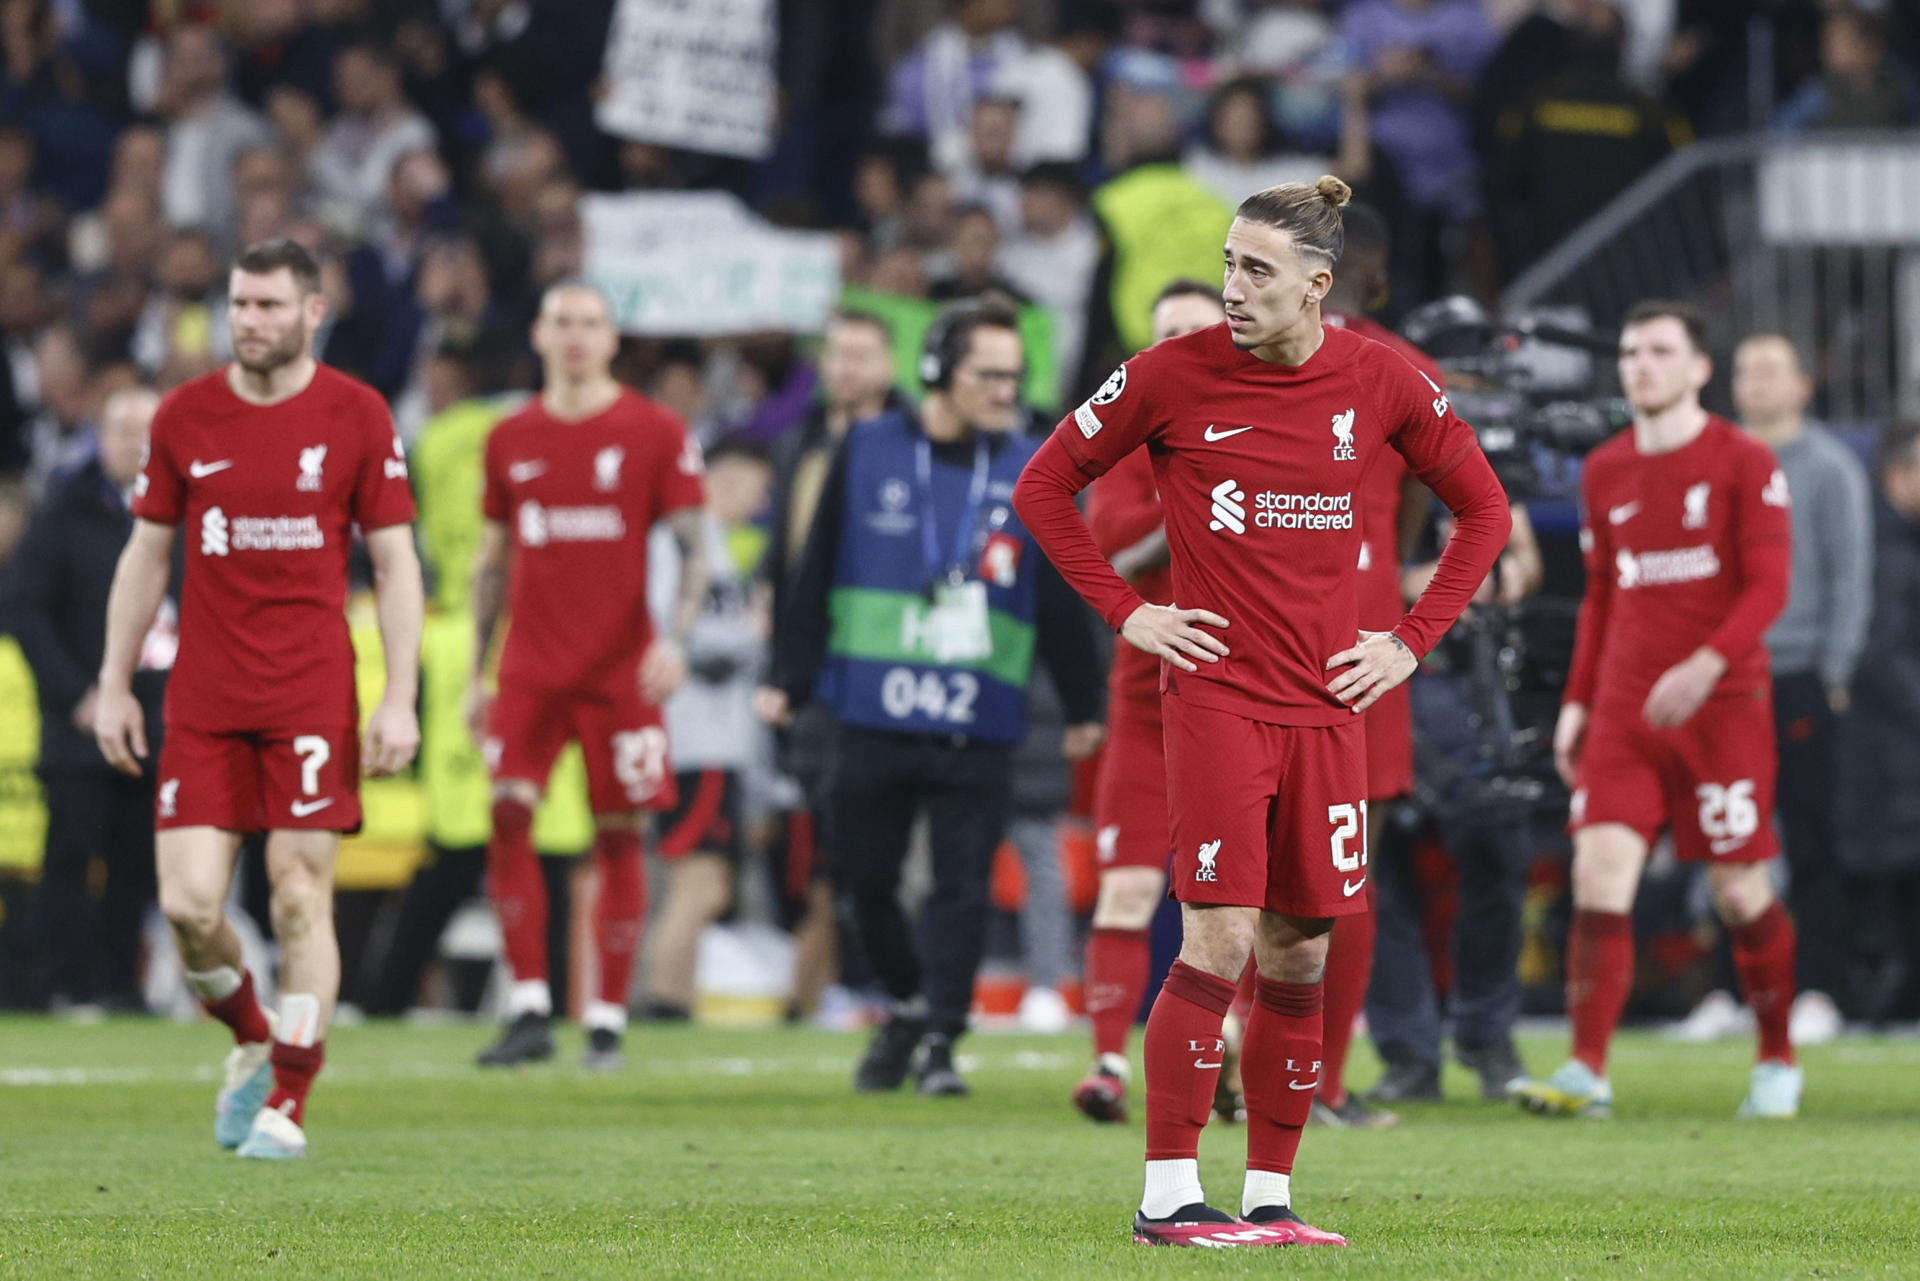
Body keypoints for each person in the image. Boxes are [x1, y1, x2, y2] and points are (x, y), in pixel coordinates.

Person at [1015, 177, 1510, 1248]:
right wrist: (1127, 615)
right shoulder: (1169, 375)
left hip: (1331, 709)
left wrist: (1409, 642)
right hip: (1219, 698)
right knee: (1221, 937)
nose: (1231, 289)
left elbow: (1484, 508)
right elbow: (1043, 487)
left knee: (1302, 956)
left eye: (1256, 271)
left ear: (1317, 286)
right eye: (1229, 264)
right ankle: (1166, 1198)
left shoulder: (1382, 379)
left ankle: (1275, 1199)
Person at [93, 238, 424, 1160]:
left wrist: (400, 698)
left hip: (311, 692)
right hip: (203, 694)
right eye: (241, 304)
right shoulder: (185, 415)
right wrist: (115, 681)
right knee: (193, 906)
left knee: (294, 886)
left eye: (270, 306)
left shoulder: (357, 413)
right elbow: (147, 554)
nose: (250, 321)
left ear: (313, 313)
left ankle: (290, 1093)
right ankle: (251, 1032)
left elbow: (396, 562)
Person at [762, 296, 1104, 1098]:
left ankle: (941, 1037)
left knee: (961, 886)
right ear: (937, 373)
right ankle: (910, 1003)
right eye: (988, 374)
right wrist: (789, 674)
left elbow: (1059, 597)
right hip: (870, 707)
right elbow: (813, 567)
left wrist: (1086, 705)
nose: (1004, 390)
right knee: (861, 881)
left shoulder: (1032, 465)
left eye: (1014, 376)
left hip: (976, 716)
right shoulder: (869, 447)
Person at [1513, 300, 1799, 1121]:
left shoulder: (1744, 461)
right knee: (1597, 875)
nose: (1641, 365)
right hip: (1624, 712)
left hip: (1723, 708)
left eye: (1661, 351)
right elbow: (1602, 595)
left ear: (1699, 368)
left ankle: (1777, 1056)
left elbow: (1768, 584)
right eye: (1632, 351)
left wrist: (1706, 665)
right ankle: (1586, 1068)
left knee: (1740, 889)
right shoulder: (1604, 469)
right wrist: (1575, 703)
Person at [467, 281, 707, 1069]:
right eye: (561, 321)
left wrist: (675, 640)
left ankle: (606, 1015)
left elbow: (696, 546)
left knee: (619, 834)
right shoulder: (509, 437)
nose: (575, 336)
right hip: (532, 668)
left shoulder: (654, 430)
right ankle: (531, 1004)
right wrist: (478, 672)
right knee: (508, 814)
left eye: (590, 323)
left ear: (612, 339)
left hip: (618, 671)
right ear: (538, 333)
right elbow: (492, 559)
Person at [1072, 278, 1225, 1125]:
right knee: (1126, 889)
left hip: (1243, 696)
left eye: (1197, 330)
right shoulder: (1131, 445)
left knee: (1251, 906)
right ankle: (1104, 1063)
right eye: (1165, 333)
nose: (1179, 345)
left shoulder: (1276, 432)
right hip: (1144, 702)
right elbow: (1112, 549)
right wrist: (1200, 506)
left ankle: (1233, 1058)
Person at [763, 309, 905, 1022]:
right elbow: (783, 568)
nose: (846, 367)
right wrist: (779, 671)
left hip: (892, 663)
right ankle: (829, 986)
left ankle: (864, 983)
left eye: (861, 353)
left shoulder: (916, 443)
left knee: (873, 834)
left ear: (889, 365)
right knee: (825, 829)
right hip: (818, 675)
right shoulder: (801, 446)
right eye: (836, 354)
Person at [1726, 333, 1869, 1042]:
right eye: (1745, 368)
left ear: (1804, 384)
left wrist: (1834, 671)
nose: (1754, 381)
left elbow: (1852, 576)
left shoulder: (1831, 468)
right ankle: (1730, 992)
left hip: (1800, 674)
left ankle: (1818, 990)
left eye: (1770, 369)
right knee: (1724, 840)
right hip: (1723, 675)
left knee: (1811, 840)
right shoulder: (1715, 458)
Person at [8, 387, 165, 1013]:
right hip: (78, 728)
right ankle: (63, 985)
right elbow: (23, 609)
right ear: (100, 439)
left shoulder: (181, 514)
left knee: (136, 860)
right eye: (126, 430)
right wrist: (75, 694)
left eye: (151, 432)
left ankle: (119, 986)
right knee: (72, 857)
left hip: (154, 722)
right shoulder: (63, 514)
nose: (139, 445)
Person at [640, 437, 774, 1021]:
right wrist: (755, 634)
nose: (760, 497)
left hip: (712, 738)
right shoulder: (682, 543)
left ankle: (674, 997)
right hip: (698, 738)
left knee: (703, 882)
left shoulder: (712, 546)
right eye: (754, 483)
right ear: (725, 478)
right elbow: (678, 637)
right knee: (701, 882)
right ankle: (661, 1000)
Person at [1834, 425, 1920, 1023]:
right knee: (1887, 877)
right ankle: (1880, 995)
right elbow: (1882, 656)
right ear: (1897, 475)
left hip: (1892, 743)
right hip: (1888, 748)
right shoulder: (1889, 554)